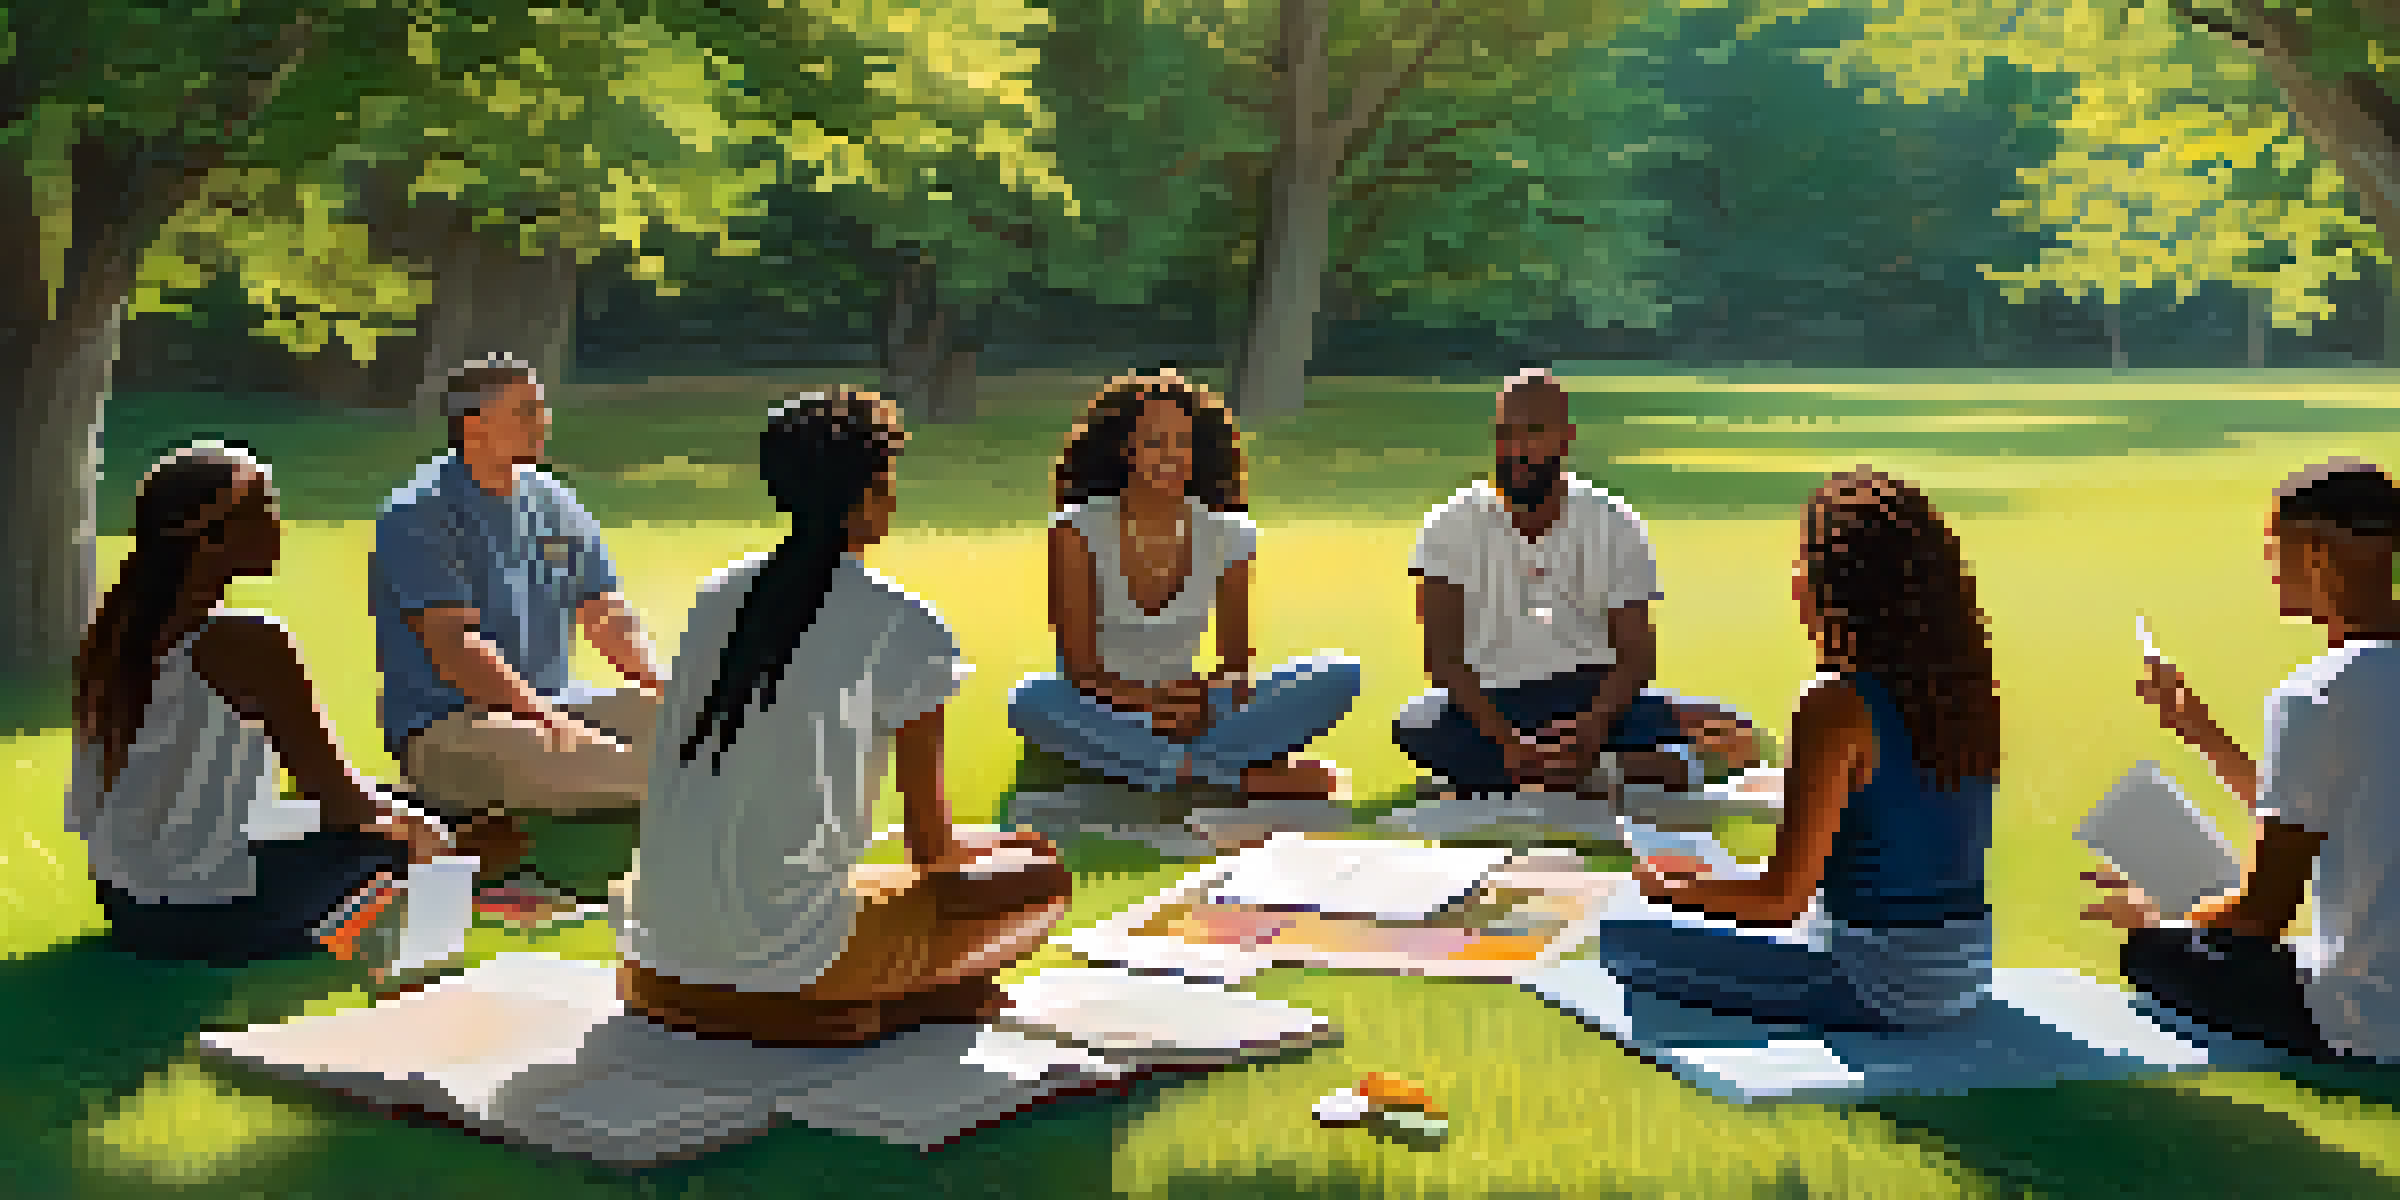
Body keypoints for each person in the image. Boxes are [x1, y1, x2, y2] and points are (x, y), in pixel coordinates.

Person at [619, 388, 1070, 1046]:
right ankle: (860, 1007)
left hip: (659, 956)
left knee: (877, 874)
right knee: (1040, 877)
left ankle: (844, 1005)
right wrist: (1005, 846)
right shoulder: (904, 624)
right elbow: (931, 846)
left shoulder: (716, 596)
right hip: (796, 957)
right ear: (866, 500)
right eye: (886, 483)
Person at [1609, 468, 2000, 1031]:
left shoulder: (1834, 704)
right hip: (1969, 972)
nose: (1794, 578)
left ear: (1832, 583)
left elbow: (1779, 901)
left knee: (1622, 939)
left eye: (1802, 560)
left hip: (1880, 981)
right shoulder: (1961, 689)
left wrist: (1669, 888)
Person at [67, 443, 451, 967]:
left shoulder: (114, 637)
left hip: (128, 905)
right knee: (413, 831)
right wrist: (424, 831)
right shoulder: (248, 642)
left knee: (395, 806)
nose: (280, 524)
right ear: (210, 536)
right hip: (212, 916)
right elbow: (341, 801)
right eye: (265, 510)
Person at [2084, 459, 2400, 1064]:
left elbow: (2262, 917)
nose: (2270, 571)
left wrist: (2161, 919)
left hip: (2369, 1020)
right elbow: (2334, 808)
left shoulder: (2316, 694)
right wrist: (2202, 734)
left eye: (2272, 550)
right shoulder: (2346, 690)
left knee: (2148, 953)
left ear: (2314, 554)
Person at [1005, 370, 1363, 811]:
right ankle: (1225, 774)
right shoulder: (1075, 530)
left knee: (1341, 673)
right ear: (1126, 449)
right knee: (1030, 700)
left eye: (1183, 444)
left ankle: (1170, 765)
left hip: (1192, 703)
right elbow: (1080, 668)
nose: (1170, 457)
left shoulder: (1229, 534)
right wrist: (1149, 707)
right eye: (1155, 443)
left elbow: (1235, 664)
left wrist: (1200, 704)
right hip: (1102, 703)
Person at [371, 354, 667, 875]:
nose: (544, 421)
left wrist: (661, 683)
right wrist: (541, 718)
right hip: (449, 726)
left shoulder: (554, 501)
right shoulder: (420, 514)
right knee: (658, 769)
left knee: (699, 726)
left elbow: (604, 614)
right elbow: (454, 646)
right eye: (526, 411)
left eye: (542, 408)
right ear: (475, 425)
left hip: (553, 705)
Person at [1394, 369, 1711, 823]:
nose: (1517, 449)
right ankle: (1605, 772)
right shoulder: (1448, 524)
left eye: (1534, 433)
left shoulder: (1612, 521)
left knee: (1701, 721)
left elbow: (1638, 654)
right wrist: (1506, 739)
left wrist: (1595, 719)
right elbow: (1441, 657)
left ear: (1566, 439)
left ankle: (1518, 776)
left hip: (1589, 693)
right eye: (1506, 434)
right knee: (1417, 724)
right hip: (1492, 698)